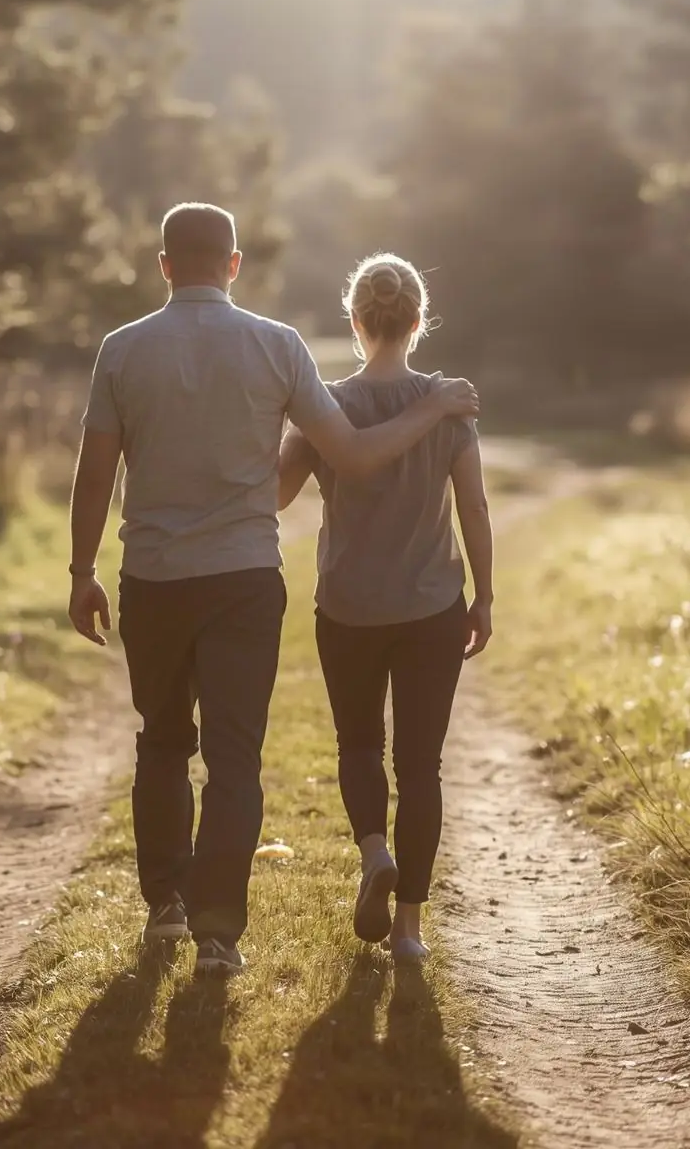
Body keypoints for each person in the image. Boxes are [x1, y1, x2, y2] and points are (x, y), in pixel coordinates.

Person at [67, 206, 479, 977]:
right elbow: (353, 456)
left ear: (164, 265)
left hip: (152, 576)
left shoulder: (122, 350)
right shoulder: (277, 345)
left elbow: (95, 474)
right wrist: (432, 407)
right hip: (244, 580)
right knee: (234, 757)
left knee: (161, 741)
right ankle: (218, 934)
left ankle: (166, 905)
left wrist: (81, 570)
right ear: (233, 264)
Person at [278, 253, 494, 964]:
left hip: (348, 608)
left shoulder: (325, 406)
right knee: (421, 765)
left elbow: (276, 492)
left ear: (355, 319)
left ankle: (375, 852)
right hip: (431, 608)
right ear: (419, 320)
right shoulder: (448, 403)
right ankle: (408, 930)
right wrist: (485, 596)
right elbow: (473, 508)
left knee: (359, 746)